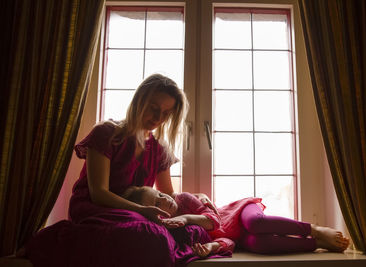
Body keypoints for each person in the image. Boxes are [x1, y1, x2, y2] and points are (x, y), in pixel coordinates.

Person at [69, 73, 216, 224]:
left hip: (136, 214)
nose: (158, 118)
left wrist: (197, 197)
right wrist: (140, 210)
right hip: (94, 209)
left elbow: (168, 194)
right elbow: (99, 194)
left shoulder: (159, 148)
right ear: (139, 101)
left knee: (182, 226)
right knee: (145, 227)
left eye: (166, 113)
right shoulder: (106, 133)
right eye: (153, 108)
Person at [122, 186, 351, 257]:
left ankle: (314, 229)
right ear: (158, 216)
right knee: (260, 245)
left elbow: (213, 221)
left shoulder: (182, 201)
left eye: (160, 194)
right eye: (158, 203)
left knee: (256, 225)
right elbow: (226, 242)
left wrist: (184, 217)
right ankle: (316, 244)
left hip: (239, 213)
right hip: (238, 237)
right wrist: (210, 248)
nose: (164, 199)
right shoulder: (179, 230)